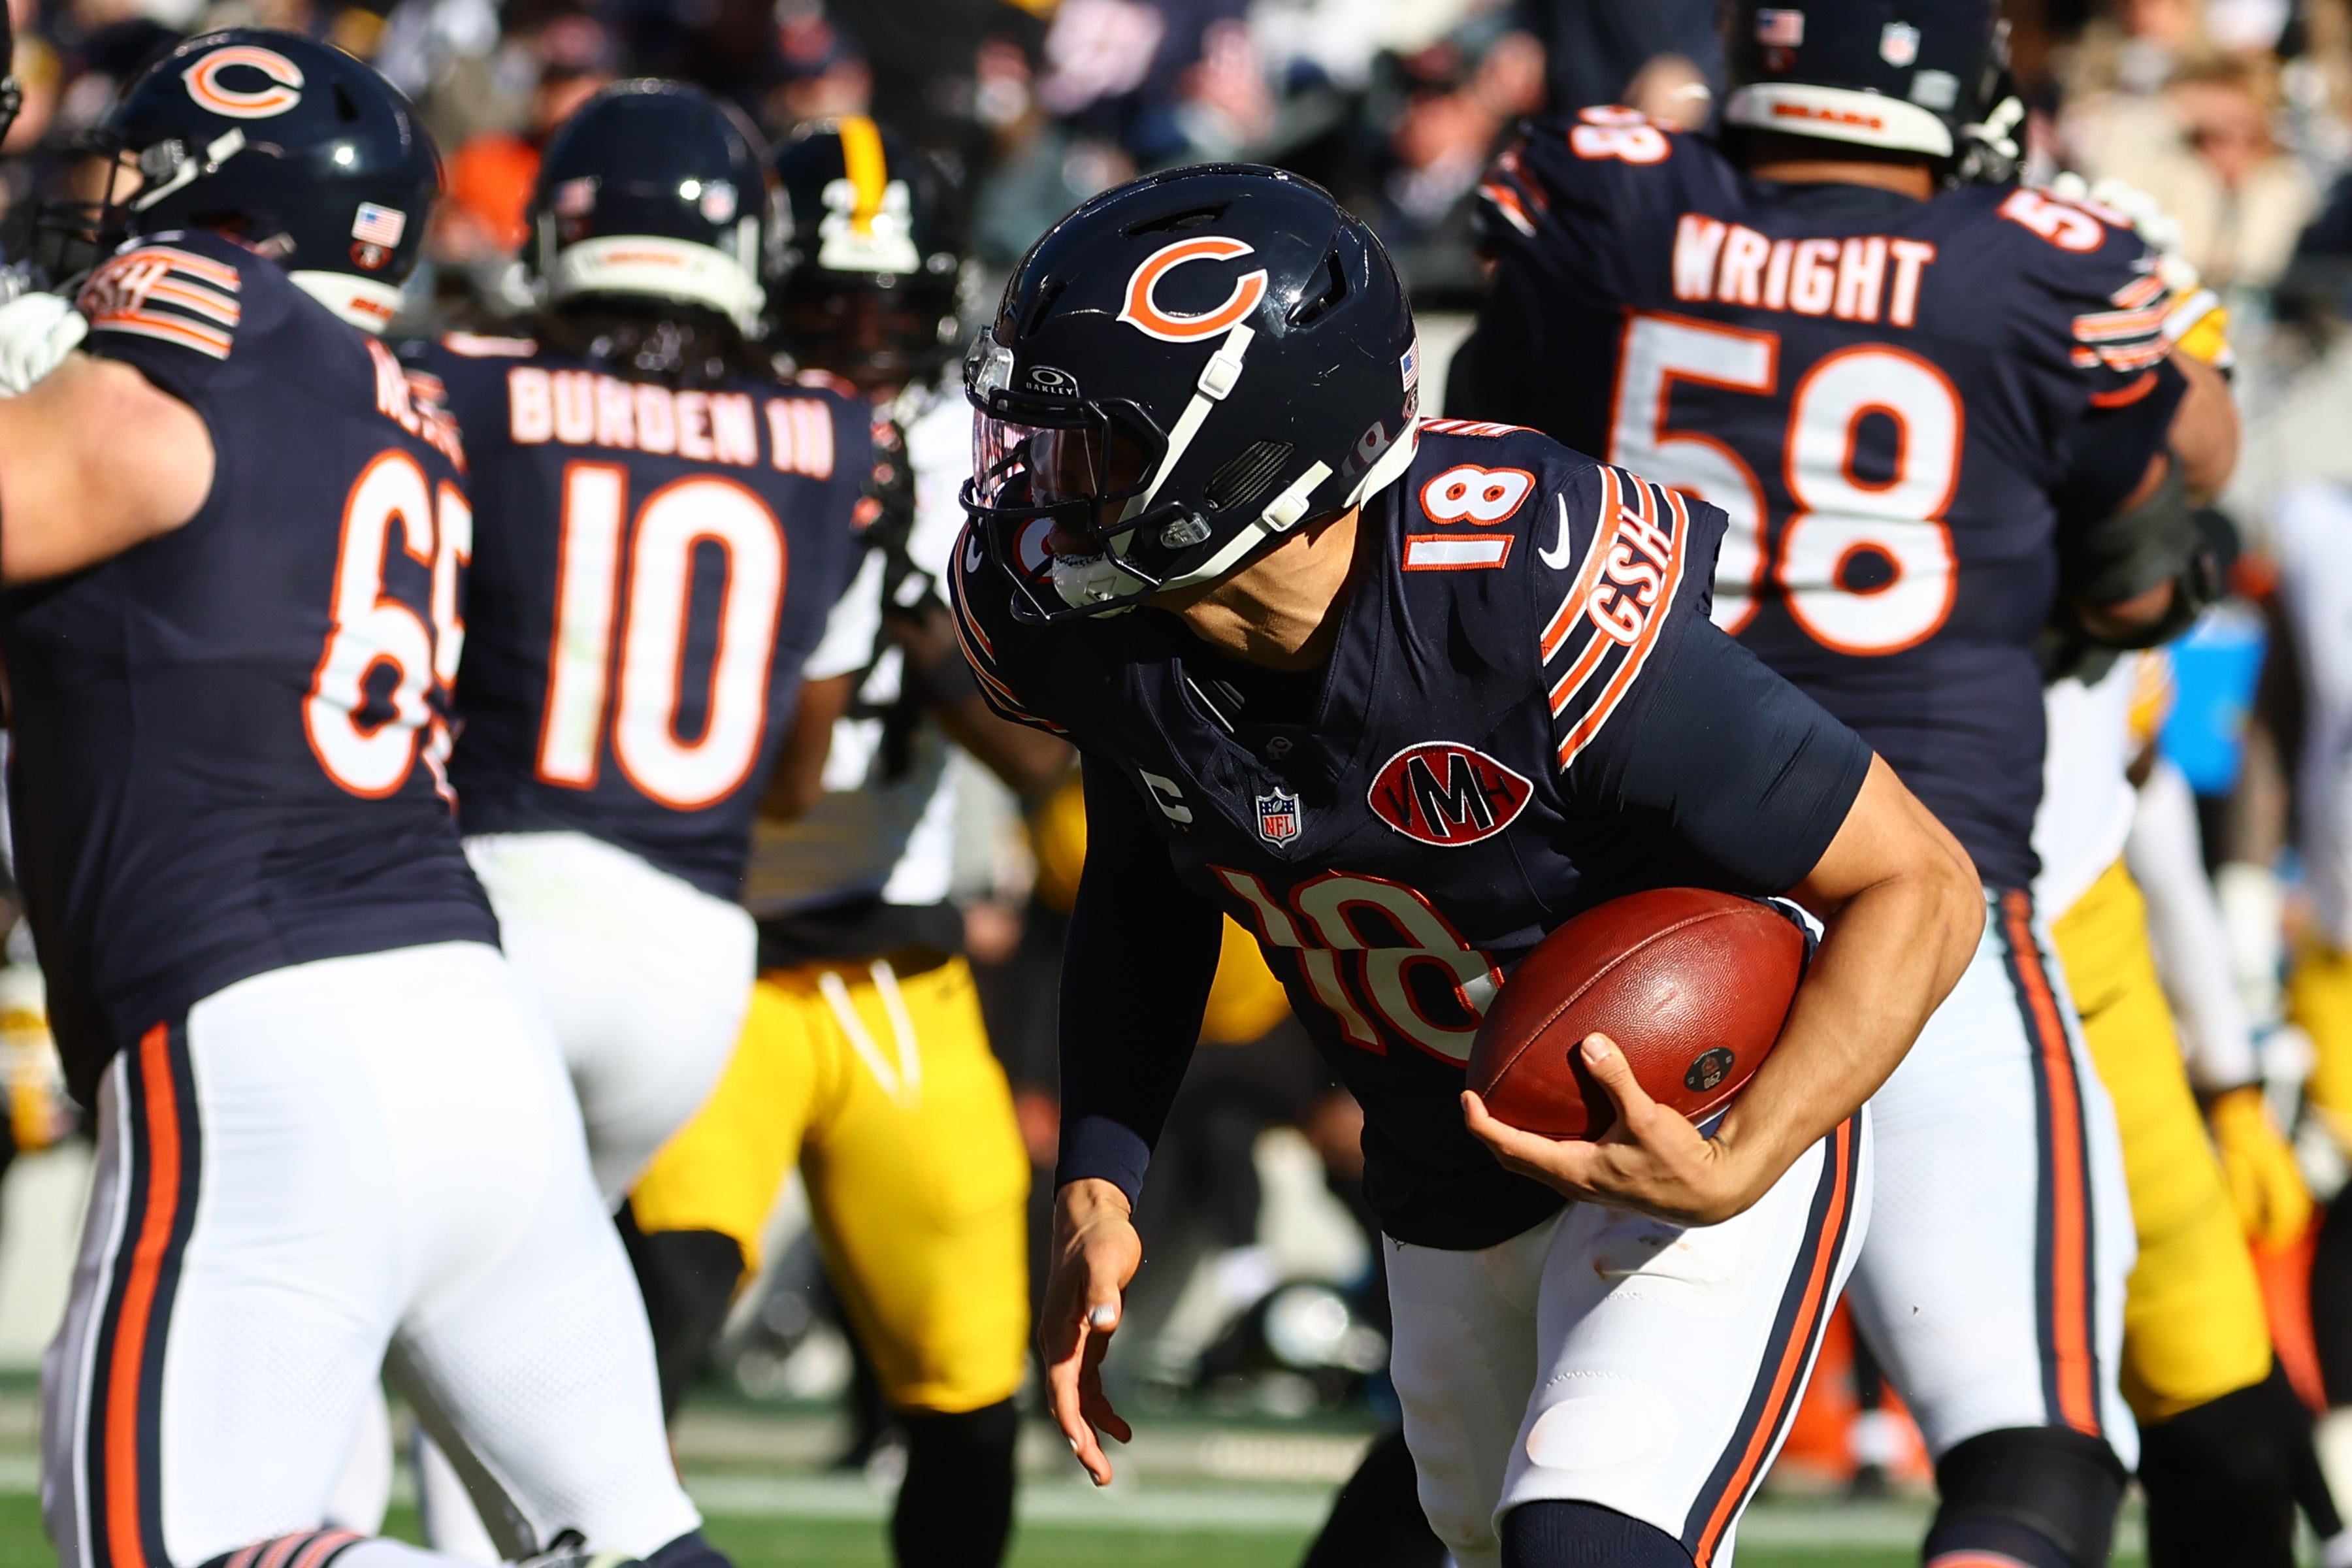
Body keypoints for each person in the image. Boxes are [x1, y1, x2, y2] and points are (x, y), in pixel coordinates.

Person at [955, 163, 1985, 1568]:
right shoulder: (1106, 634)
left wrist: (1742, 1156)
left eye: (1093, 449)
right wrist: (1103, 1178)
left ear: (1256, 447)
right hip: (1433, 1168)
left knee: (1584, 1539)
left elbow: (1921, 881)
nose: (1041, 488)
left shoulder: (1507, 585)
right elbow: (1149, 880)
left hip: (1675, 1122)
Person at [1449, 1, 2242, 1561]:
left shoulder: (1609, 203)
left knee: (1521, 1452)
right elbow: (2159, 532)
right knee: (2038, 1454)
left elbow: (1489, 449)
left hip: (1629, 914)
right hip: (1921, 900)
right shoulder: (2041, 262)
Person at [1, 30, 723, 1568]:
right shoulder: (396, 403)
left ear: (231, 222)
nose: (97, 222)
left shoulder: (213, 324)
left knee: (172, 1555)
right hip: (468, 1030)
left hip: (263, 1037)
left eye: (137, 192)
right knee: (633, 1540)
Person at [621, 117, 1064, 1568]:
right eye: (826, 311)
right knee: (646, 1333)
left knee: (970, 1379)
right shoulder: (693, 431)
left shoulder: (972, 457)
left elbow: (1044, 757)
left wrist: (904, 610)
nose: (858, 345)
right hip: (708, 950)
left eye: (887, 314)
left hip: (895, 967)